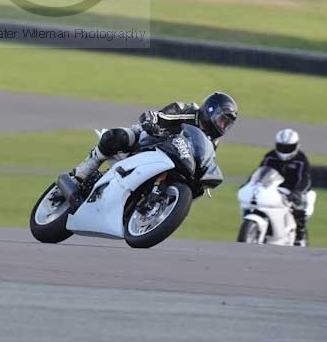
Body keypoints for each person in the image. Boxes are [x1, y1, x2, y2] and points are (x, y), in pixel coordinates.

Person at [73, 91, 238, 182]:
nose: (222, 126)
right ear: (210, 110)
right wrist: (151, 121)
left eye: (227, 124)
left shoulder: (212, 142)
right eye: (222, 120)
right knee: (119, 136)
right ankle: (85, 169)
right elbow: (159, 116)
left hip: (175, 162)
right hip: (151, 140)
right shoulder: (187, 110)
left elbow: (204, 162)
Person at [260, 129, 311, 246]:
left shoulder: (301, 159)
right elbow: (260, 172)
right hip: (274, 188)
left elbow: (304, 179)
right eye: (281, 147)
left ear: (296, 146)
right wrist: (250, 184)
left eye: (288, 148)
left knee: (300, 204)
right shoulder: (270, 156)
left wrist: (297, 192)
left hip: (295, 190)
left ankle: (300, 235)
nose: (284, 150)